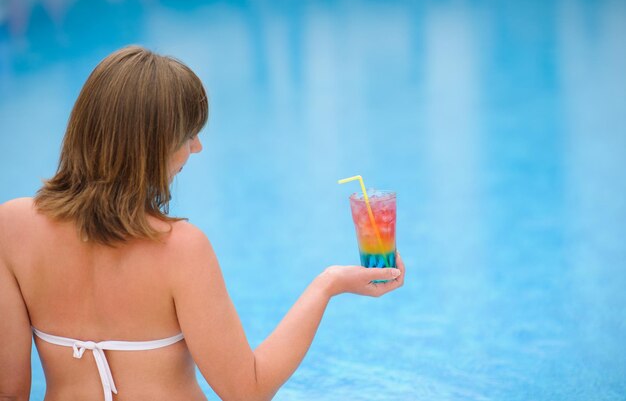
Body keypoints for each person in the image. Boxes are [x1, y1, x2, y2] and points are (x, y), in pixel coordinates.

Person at [0, 46, 405, 401]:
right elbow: (248, 390)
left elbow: (10, 392)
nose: (197, 146)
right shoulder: (179, 249)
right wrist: (328, 284)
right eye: (188, 134)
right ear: (150, 147)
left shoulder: (11, 226)